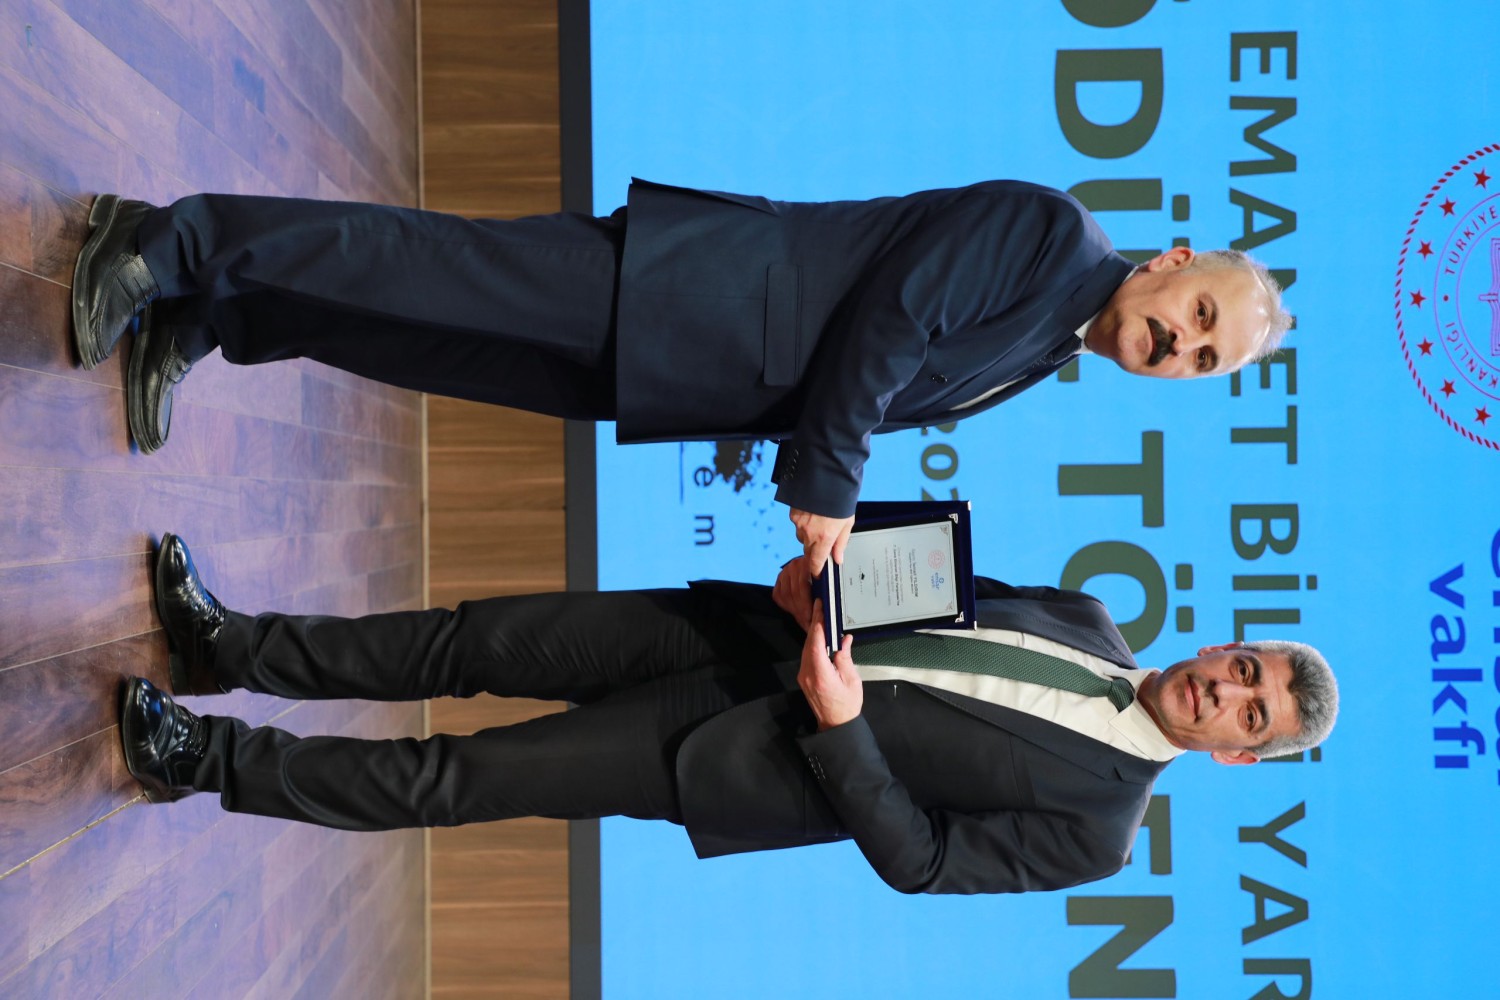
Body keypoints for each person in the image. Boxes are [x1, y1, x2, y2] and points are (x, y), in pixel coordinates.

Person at [73, 183, 1290, 569]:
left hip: (687, 373)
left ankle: (216, 315)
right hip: (676, 287)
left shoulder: (1056, 345)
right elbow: (895, 313)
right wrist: (828, 479)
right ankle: (164, 241)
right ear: (1173, 261)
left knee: (425, 344)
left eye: (1203, 359)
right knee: (424, 268)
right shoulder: (1055, 237)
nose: (1179, 345)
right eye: (1197, 315)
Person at [122, 534, 1337, 895]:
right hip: (732, 633)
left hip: (734, 753)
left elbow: (920, 860)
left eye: (1252, 714)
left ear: (1239, 756)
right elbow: (932, 592)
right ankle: (227, 645)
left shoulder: (1100, 832)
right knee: (468, 638)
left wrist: (842, 725)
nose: (1227, 690)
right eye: (1246, 666)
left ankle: (203, 760)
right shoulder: (1089, 613)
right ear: (1226, 643)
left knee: (459, 775)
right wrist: (826, 582)